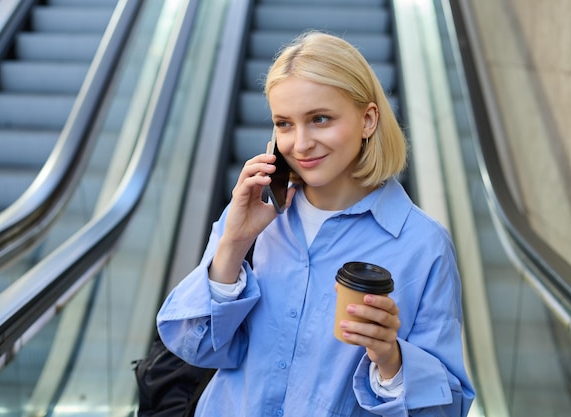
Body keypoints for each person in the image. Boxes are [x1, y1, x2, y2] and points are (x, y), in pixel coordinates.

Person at [157, 31, 475, 416]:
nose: (301, 143)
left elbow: (448, 409)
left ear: (368, 120)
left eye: (319, 119)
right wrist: (233, 244)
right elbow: (196, 347)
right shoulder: (253, 217)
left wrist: (391, 360)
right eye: (284, 124)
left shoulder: (423, 246)